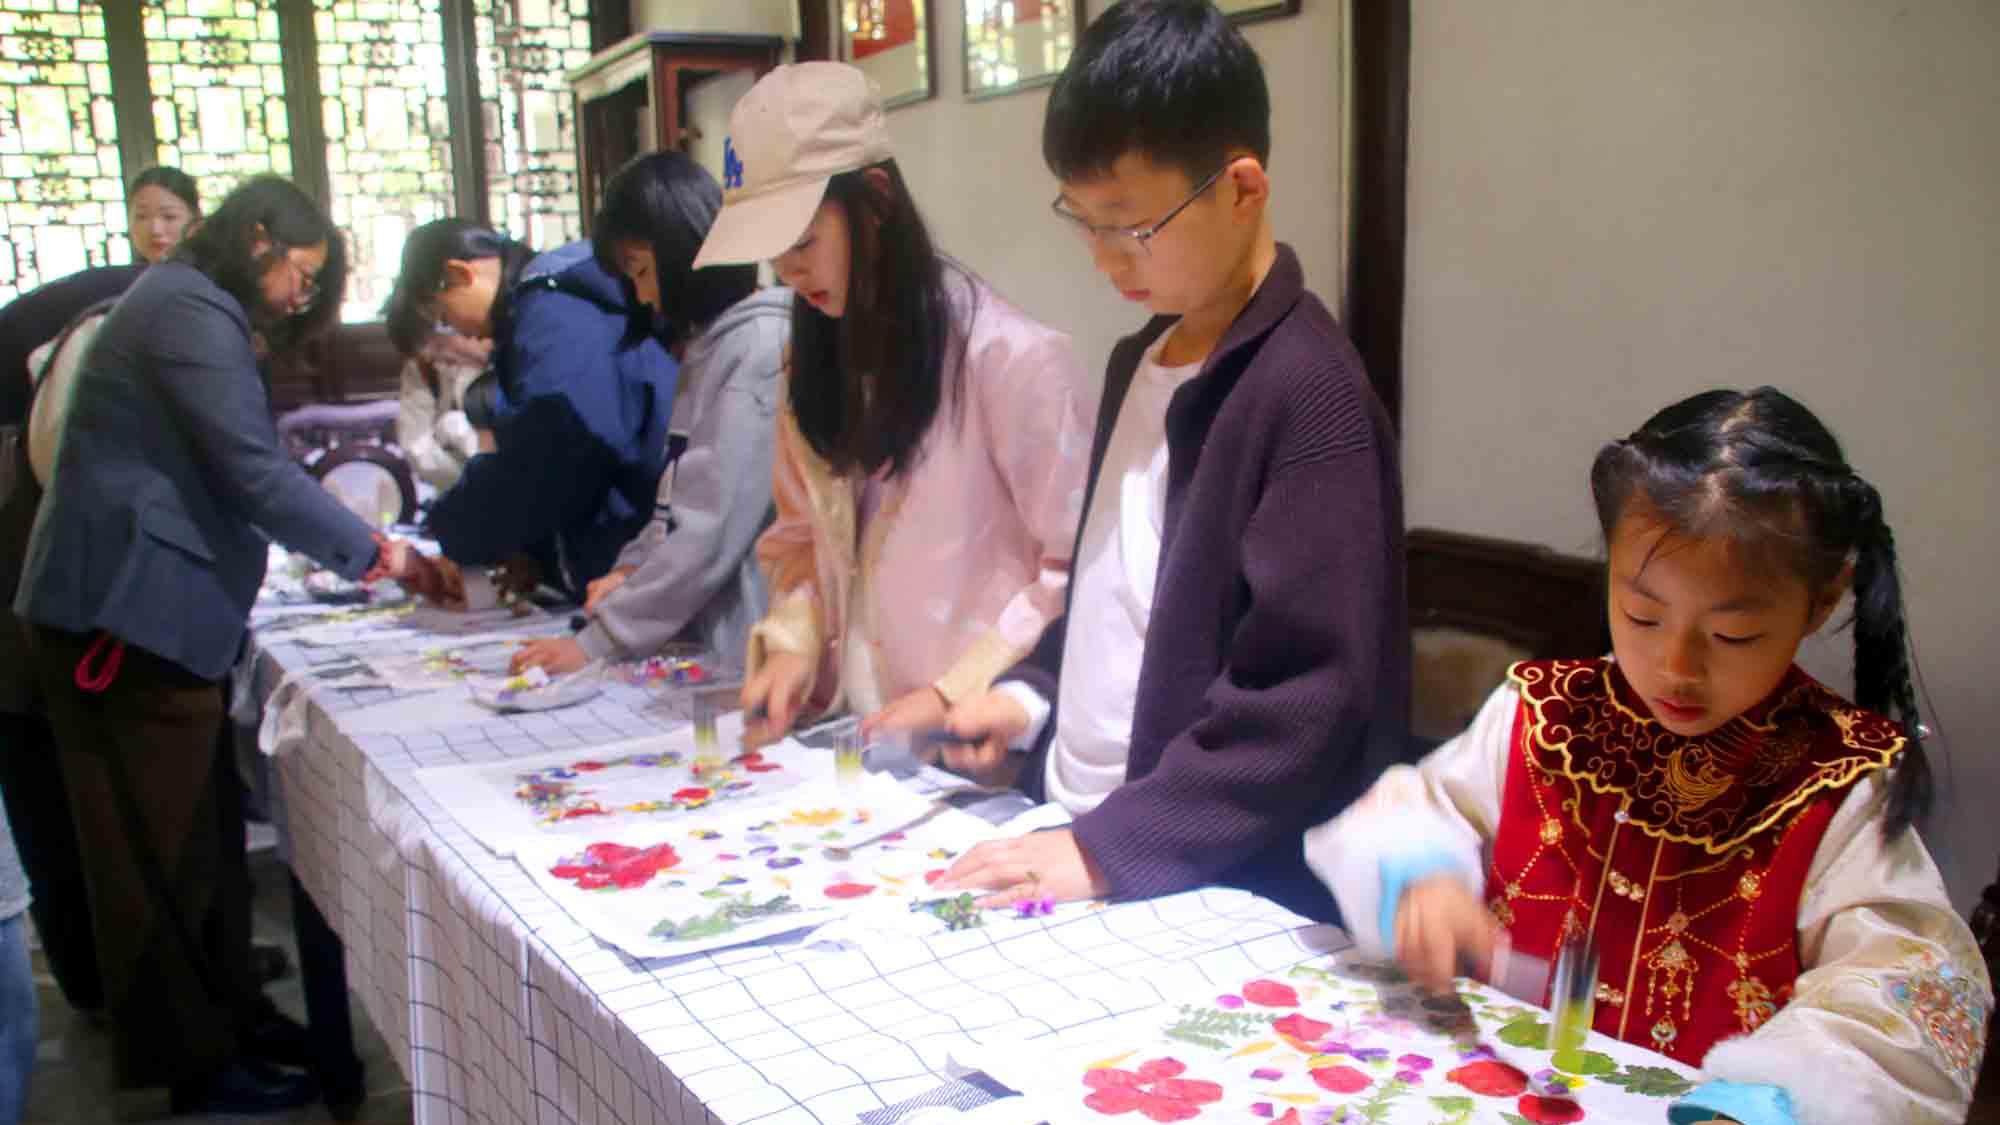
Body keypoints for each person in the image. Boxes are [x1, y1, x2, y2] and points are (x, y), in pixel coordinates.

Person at [1305, 388, 1989, 1125]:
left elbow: (1907, 988)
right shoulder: (1547, 717)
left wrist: (1769, 1101)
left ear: (1821, 602)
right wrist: (1421, 879)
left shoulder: (1839, 782)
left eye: (1733, 636)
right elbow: (1420, 805)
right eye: (1641, 614)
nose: (1675, 665)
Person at [934, 0, 1408, 921]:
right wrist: (1031, 706)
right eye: (1085, 219)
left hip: (1207, 882)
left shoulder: (1308, 390)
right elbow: (1118, 596)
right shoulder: (1137, 361)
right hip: (1081, 833)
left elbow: (1304, 701)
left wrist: (1107, 847)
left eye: (1133, 224)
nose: (1107, 257)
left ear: (1241, 188)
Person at [13, 174, 437, 1116]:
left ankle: (232, 1022)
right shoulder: (189, 312)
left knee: (201, 841)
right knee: (153, 857)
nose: (299, 294)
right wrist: (378, 552)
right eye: (300, 272)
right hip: (124, 616)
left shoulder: (186, 305)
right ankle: (196, 1071)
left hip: (158, 618)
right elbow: (251, 469)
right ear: (256, 240)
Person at [694, 63, 1089, 745]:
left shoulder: (1011, 359)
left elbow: (1073, 570)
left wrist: (950, 693)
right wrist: (792, 647)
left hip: (974, 749)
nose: (789, 272)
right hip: (854, 738)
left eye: (804, 241)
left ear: (874, 200)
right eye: (774, 253)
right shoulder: (810, 367)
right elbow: (797, 545)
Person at [511, 151, 786, 677]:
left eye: (640, 270)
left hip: (753, 643)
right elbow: (675, 503)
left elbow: (710, 529)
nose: (643, 295)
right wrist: (630, 573)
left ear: (684, 250)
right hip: (708, 634)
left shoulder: (758, 347)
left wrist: (603, 639)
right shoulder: (708, 348)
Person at [382, 220, 678, 599]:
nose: (457, 331)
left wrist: (454, 530)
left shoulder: (549, 313)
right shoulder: (545, 307)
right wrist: (534, 553)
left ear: (459, 274)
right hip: (627, 546)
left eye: (443, 316)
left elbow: (552, 460)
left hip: (640, 557)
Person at [390, 326, 492, 492]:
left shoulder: (516, 354)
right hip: (461, 491)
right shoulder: (422, 368)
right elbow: (417, 449)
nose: (429, 356)